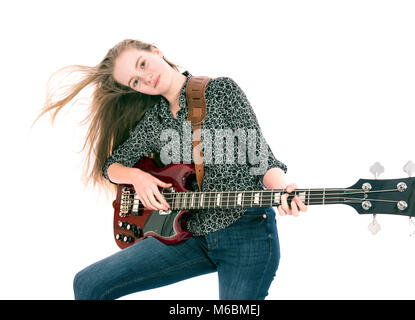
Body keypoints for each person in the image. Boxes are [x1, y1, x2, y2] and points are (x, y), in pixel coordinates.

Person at [36, 39, 307, 300]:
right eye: (135, 81)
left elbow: (261, 158)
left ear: (156, 51)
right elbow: (111, 167)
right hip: (189, 234)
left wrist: (283, 190)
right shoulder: (155, 121)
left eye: (142, 64)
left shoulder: (221, 91)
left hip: (246, 233)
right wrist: (137, 177)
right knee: (88, 284)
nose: (145, 78)